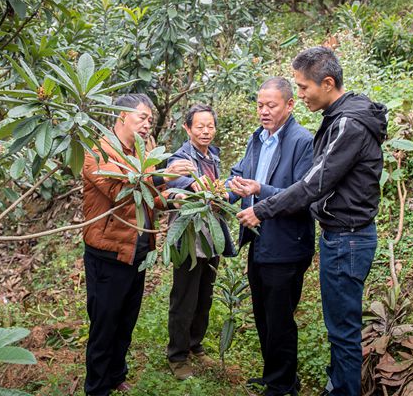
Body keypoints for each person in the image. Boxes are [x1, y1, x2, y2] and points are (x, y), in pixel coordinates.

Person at [237, 47, 388, 396]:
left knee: (343, 328)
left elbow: (312, 184)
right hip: (340, 236)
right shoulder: (340, 118)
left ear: (328, 83)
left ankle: (342, 391)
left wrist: (262, 208)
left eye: (303, 88)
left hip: (347, 239)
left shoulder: (348, 124)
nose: (301, 94)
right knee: (338, 324)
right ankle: (337, 385)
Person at [82, 93, 196, 396]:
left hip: (137, 249)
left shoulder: (140, 155)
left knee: (126, 320)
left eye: (150, 120)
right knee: (104, 324)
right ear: (122, 116)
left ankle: (116, 374)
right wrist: (165, 175)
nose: (148, 125)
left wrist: (174, 198)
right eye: (142, 118)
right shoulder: (99, 153)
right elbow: (123, 189)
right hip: (108, 252)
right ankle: (96, 388)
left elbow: (147, 197)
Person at [226, 77, 314, 396]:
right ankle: (275, 375)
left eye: (271, 105)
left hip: (287, 245)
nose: (263, 111)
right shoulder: (258, 138)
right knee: (263, 312)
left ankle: (283, 385)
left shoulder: (303, 141)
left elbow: (304, 194)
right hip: (259, 239)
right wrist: (220, 192)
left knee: (279, 318)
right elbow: (240, 175)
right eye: (260, 105)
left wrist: (261, 190)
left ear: (290, 105)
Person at [164, 104, 236, 380]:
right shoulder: (181, 156)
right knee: (184, 298)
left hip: (211, 236)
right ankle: (177, 355)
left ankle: (195, 344)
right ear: (187, 129)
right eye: (199, 126)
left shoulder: (213, 155)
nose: (206, 131)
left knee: (204, 296)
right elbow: (174, 180)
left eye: (210, 126)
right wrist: (188, 185)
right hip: (189, 237)